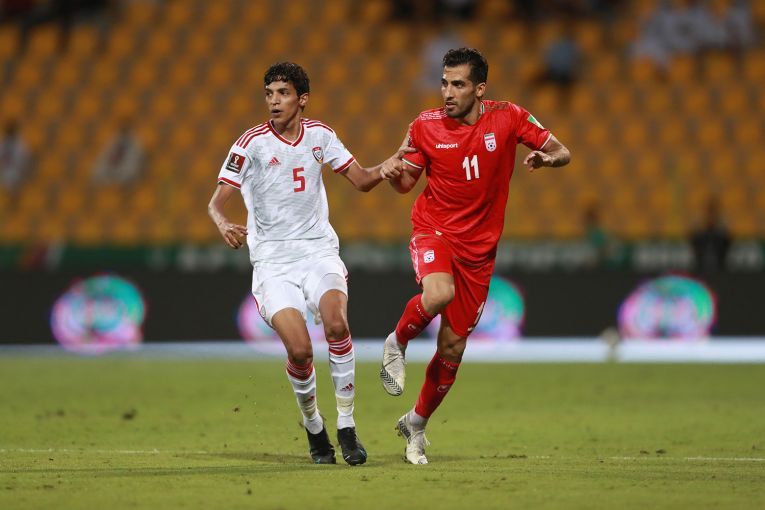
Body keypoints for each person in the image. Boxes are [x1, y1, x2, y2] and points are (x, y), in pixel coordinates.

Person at [378, 48, 570, 465]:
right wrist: (394, 172)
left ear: (480, 89)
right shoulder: (425, 125)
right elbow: (406, 183)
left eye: (458, 84)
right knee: (439, 293)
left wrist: (546, 158)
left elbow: (562, 151)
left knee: (452, 348)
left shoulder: (509, 116)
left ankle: (415, 424)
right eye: (444, 82)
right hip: (434, 230)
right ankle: (397, 341)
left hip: (479, 251)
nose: (447, 92)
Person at [208, 62, 405, 466]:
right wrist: (223, 222)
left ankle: (346, 425)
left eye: (282, 93)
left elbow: (362, 179)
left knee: (337, 325)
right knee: (300, 351)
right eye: (269, 94)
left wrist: (385, 168)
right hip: (273, 263)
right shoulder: (251, 144)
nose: (274, 101)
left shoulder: (321, 136)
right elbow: (216, 201)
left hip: (318, 252)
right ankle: (314, 425)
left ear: (302, 99)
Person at [91, 119, 144, 186]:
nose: (124, 131)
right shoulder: (112, 141)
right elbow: (104, 159)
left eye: (126, 129)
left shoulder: (136, 144)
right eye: (123, 129)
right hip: (110, 174)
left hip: (126, 177)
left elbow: (133, 166)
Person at [690, 197, 731, 273]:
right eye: (709, 212)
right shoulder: (700, 236)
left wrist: (721, 221)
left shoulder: (720, 237)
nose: (710, 215)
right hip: (701, 272)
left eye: (713, 212)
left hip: (720, 272)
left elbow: (728, 239)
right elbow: (692, 237)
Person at [0, 119, 31, 192]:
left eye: (12, 130)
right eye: (9, 130)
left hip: (17, 174)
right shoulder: (2, 142)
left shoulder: (21, 144)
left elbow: (26, 160)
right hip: (4, 173)